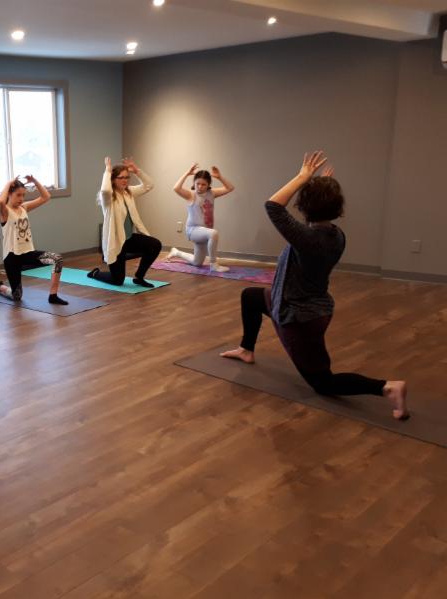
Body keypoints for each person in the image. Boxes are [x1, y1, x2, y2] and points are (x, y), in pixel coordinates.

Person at [220, 151, 408, 420]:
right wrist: (319, 188)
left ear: (305, 207)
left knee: (323, 383)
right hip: (304, 305)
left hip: (299, 317)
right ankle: (246, 349)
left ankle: (387, 388)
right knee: (250, 296)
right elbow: (308, 219)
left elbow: (273, 206)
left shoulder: (307, 239)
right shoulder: (335, 235)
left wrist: (302, 178)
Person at [0, 175, 68, 305]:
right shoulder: (5, 212)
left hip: (27, 253)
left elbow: (46, 197)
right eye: (18, 195)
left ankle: (53, 296)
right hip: (11, 257)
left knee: (57, 259)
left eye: (23, 195)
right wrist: (9, 183)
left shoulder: (24, 208)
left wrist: (35, 181)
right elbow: (0, 202)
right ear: (9, 194)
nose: (21, 198)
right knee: (17, 296)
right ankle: (0, 287)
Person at [88, 157, 161, 287]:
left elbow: (149, 185)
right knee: (117, 280)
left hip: (128, 239)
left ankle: (139, 277)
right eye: (121, 177)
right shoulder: (108, 198)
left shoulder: (129, 192)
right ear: (113, 179)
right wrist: (107, 171)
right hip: (115, 242)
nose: (125, 180)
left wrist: (137, 171)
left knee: (155, 245)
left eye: (127, 177)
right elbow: (105, 190)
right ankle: (95, 273)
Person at [167, 163, 235, 272]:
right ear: (194, 183)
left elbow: (230, 188)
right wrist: (187, 173)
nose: (200, 186)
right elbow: (176, 188)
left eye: (203, 184)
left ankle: (176, 252)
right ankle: (213, 264)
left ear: (208, 185)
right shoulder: (191, 195)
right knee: (214, 233)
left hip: (204, 232)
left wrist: (219, 177)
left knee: (197, 262)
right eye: (197, 183)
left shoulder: (212, 193)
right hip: (193, 230)